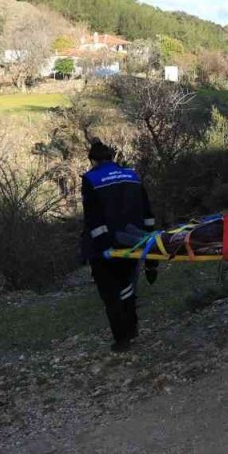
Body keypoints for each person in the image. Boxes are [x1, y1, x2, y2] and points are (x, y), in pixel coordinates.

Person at [81, 140, 157, 352]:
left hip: (108, 245)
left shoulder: (91, 179)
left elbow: (94, 218)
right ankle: (132, 329)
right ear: (112, 157)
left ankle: (122, 339)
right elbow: (147, 213)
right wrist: (151, 249)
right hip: (135, 241)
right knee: (128, 285)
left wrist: (104, 247)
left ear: (93, 160)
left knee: (110, 292)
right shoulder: (132, 175)